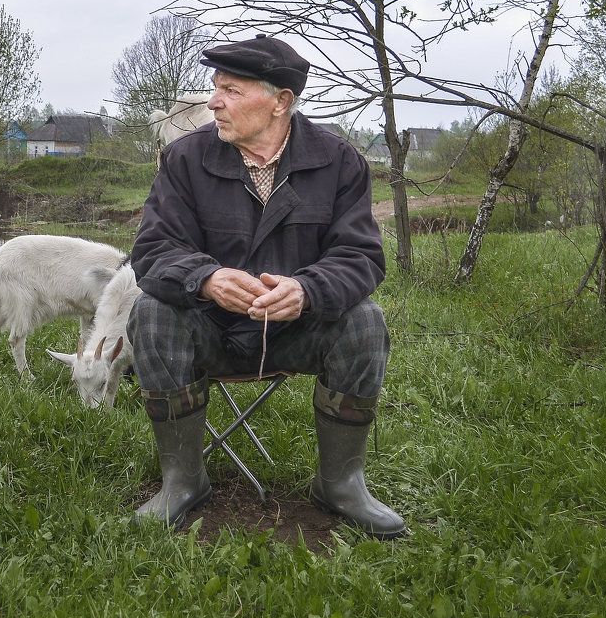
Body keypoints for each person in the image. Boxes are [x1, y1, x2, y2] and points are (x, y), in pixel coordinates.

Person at [126, 35, 405, 539]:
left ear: (281, 102)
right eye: (215, 88)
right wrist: (205, 279)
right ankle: (182, 481)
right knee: (151, 310)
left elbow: (360, 257)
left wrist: (307, 290)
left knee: (365, 320)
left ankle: (341, 484)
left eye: (230, 90)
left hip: (297, 332)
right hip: (208, 331)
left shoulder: (340, 162)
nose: (213, 102)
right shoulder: (185, 160)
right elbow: (151, 252)